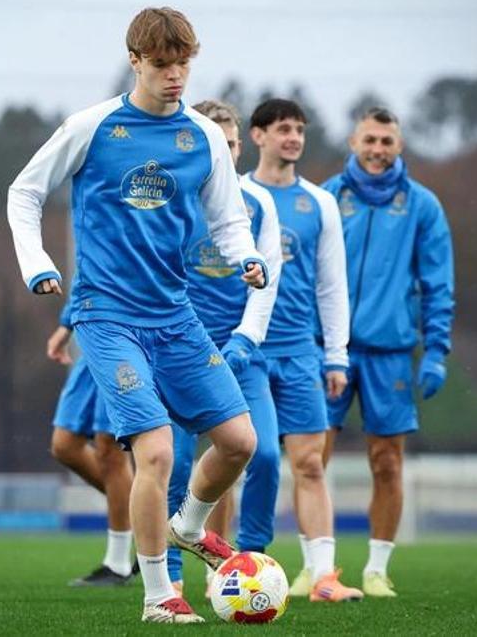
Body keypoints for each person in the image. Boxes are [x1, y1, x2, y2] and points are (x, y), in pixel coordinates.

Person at [6, 7, 269, 624]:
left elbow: (229, 217)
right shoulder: (92, 127)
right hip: (108, 317)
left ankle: (188, 527)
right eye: (162, 64)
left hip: (175, 315)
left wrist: (248, 258)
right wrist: (37, 262)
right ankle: (159, 596)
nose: (176, 76)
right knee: (155, 453)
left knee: (239, 443)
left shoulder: (203, 137)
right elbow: (24, 191)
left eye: (184, 64)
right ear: (135, 62)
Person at [319, 106, 455, 599]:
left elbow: (438, 284)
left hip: (391, 351)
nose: (378, 150)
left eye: (387, 142)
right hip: (327, 348)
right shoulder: (327, 198)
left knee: (387, 463)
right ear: (353, 142)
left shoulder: (422, 206)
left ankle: (376, 569)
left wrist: (436, 349)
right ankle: (320, 568)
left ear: (400, 147)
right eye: (370, 140)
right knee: (313, 461)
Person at [245, 98, 362, 602]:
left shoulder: (319, 202)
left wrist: (335, 354)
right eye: (282, 129)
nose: (292, 137)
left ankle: (322, 577)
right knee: (247, 459)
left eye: (298, 130)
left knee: (310, 463)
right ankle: (230, 564)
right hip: (245, 350)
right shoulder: (234, 196)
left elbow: (332, 286)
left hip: (300, 353)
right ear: (257, 136)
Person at [165, 99, 283, 598]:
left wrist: (244, 340)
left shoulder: (258, 205)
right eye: (215, 139)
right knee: (172, 464)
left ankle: (248, 560)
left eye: (231, 142)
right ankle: (167, 579)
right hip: (176, 352)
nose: (225, 150)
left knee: (267, 455)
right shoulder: (173, 201)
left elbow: (266, 280)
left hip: (240, 352)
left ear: (238, 146)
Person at [45, 296, 136, 586]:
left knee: (110, 446)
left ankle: (118, 562)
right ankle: (153, 513)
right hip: (93, 333)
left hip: (127, 337)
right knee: (64, 444)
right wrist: (66, 324)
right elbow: (90, 269)